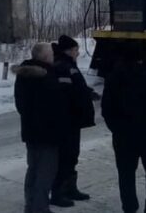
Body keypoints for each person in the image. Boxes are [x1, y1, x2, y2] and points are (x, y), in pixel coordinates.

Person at [102, 49, 146, 213]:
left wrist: (116, 129)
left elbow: (106, 109)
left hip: (123, 136)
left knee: (125, 174)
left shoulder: (112, 79)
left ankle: (129, 207)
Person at [13, 43, 66, 213]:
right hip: (48, 133)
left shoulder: (23, 75)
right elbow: (56, 107)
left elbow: (21, 104)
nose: (53, 55)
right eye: (50, 53)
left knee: (33, 169)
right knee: (46, 171)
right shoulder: (47, 77)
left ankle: (30, 204)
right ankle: (40, 208)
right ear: (44, 57)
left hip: (30, 131)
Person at [50, 35, 96, 207]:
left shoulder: (68, 65)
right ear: (68, 51)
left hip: (73, 120)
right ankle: (58, 192)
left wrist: (87, 92)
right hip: (66, 120)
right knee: (65, 156)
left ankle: (70, 188)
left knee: (72, 155)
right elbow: (66, 92)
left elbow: (76, 87)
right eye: (76, 50)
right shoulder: (62, 67)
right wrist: (83, 95)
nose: (78, 53)